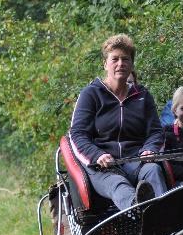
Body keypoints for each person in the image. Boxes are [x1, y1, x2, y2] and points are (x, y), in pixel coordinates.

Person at [70, 34, 166, 211]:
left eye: (125, 59)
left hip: (137, 162)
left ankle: (164, 220)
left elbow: (156, 132)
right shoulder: (90, 94)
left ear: (131, 64)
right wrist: (97, 154)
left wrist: (150, 149)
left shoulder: (143, 96)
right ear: (105, 64)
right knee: (119, 184)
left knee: (154, 171)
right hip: (103, 167)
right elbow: (77, 134)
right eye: (115, 59)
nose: (120, 64)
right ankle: (139, 211)